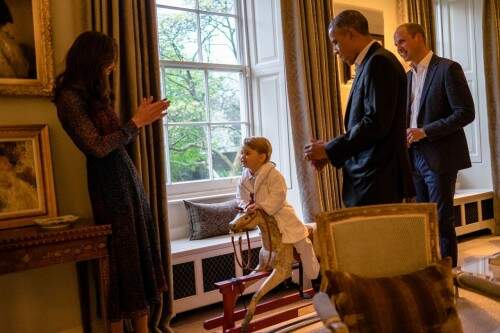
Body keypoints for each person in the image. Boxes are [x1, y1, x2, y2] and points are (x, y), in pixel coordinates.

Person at [53, 31, 170, 333]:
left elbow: (116, 141)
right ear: (94, 60)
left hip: (126, 178)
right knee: (121, 261)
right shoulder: (69, 98)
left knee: (138, 255)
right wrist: (136, 122)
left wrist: (137, 122)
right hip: (108, 186)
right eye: (109, 62)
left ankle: (144, 329)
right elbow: (97, 147)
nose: (112, 68)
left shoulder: (95, 96)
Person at [304, 10, 413, 207]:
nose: (335, 50)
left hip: (377, 180)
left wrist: (330, 149)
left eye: (336, 42)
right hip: (372, 178)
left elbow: (375, 124)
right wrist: (331, 153)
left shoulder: (380, 62)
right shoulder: (369, 63)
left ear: (352, 34)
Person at [394, 23, 475, 267]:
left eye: (402, 41)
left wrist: (425, 132)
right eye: (397, 44)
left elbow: (465, 113)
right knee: (422, 220)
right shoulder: (407, 77)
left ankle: (447, 277)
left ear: (419, 37)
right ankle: (429, 273)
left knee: (441, 219)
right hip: (413, 156)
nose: (398, 48)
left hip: (440, 156)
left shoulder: (448, 69)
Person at [237, 137, 320, 280]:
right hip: (263, 218)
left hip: (282, 214)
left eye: (247, 153)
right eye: (242, 153)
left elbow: (279, 194)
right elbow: (240, 196)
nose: (242, 156)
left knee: (303, 242)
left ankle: (314, 274)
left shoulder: (273, 175)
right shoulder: (244, 177)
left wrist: (261, 205)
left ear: (262, 157)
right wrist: (245, 206)